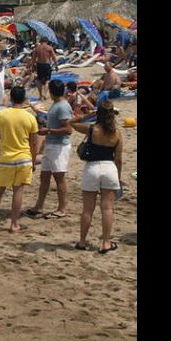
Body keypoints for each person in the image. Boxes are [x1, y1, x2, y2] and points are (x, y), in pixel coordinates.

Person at [0, 86, 38, 233]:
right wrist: (33, 161)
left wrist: (6, 132)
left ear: (11, 98)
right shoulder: (30, 117)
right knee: (18, 192)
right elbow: (34, 143)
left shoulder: (2, 114)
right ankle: (14, 224)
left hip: (7, 157)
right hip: (24, 157)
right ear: (24, 98)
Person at [69, 101, 123, 253]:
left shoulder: (92, 129)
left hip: (92, 168)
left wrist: (90, 114)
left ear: (99, 113)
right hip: (109, 168)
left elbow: (70, 122)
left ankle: (82, 241)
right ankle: (106, 243)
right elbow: (118, 159)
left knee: (87, 209)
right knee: (107, 208)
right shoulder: (117, 133)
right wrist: (118, 178)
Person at [26, 79, 73, 220]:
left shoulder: (62, 106)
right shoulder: (57, 104)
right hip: (52, 144)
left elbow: (68, 129)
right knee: (44, 176)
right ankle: (39, 206)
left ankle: (62, 208)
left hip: (59, 146)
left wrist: (49, 130)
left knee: (59, 177)